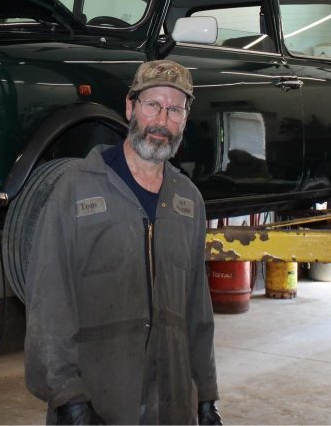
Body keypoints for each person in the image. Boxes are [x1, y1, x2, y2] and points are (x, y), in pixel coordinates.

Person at [23, 59, 221, 425]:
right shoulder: (76, 189)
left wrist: (206, 396)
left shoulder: (188, 201)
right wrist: (68, 397)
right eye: (152, 105)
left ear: (185, 119)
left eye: (174, 109)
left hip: (171, 405)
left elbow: (198, 312)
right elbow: (48, 303)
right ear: (130, 107)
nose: (162, 121)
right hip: (97, 401)